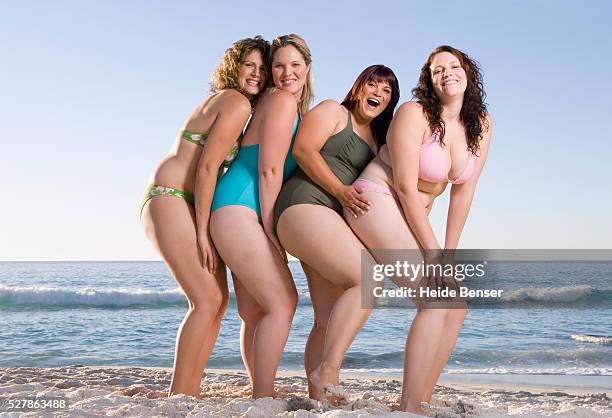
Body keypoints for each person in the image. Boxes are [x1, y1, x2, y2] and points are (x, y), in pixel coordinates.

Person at [345, 45, 492, 414]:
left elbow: (464, 192)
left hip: (411, 216)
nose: (447, 74)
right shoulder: (415, 114)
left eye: (453, 66)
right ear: (429, 79)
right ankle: (409, 408)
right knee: (434, 297)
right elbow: (407, 188)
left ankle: (421, 399)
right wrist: (432, 255)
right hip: (376, 199)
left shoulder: (482, 125)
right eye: (437, 70)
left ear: (467, 72)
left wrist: (449, 255)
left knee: (456, 305)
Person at [140, 36, 270, 398]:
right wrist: (202, 231)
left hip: (179, 201)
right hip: (171, 198)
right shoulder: (235, 102)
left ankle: (188, 390)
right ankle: (180, 394)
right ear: (234, 66)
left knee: (216, 300)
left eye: (262, 68)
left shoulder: (232, 104)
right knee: (206, 300)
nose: (256, 74)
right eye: (249, 65)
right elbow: (209, 166)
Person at [274, 65, 400, 400]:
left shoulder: (378, 142)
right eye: (373, 85)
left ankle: (319, 396)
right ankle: (329, 370)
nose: (378, 93)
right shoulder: (334, 111)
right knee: (369, 279)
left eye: (387, 91)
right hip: (302, 206)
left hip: (328, 222)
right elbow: (303, 150)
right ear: (359, 88)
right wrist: (341, 190)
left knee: (327, 319)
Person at [209, 34, 314, 398]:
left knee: (255, 311)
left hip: (231, 210)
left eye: (294, 65)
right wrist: (272, 230)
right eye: (279, 66)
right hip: (241, 211)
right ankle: (264, 396)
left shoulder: (278, 102)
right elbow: (269, 171)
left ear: (307, 68)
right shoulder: (283, 100)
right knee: (283, 302)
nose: (287, 73)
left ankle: (260, 391)